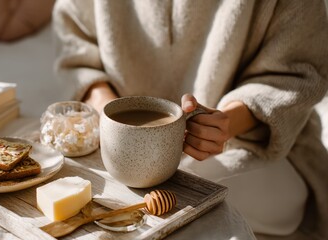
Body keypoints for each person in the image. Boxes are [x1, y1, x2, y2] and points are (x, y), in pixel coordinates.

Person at [52, 0, 328, 238]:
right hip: (115, 145)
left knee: (182, 214)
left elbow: (297, 73)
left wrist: (225, 124)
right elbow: (75, 43)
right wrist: (110, 117)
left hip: (256, 147)